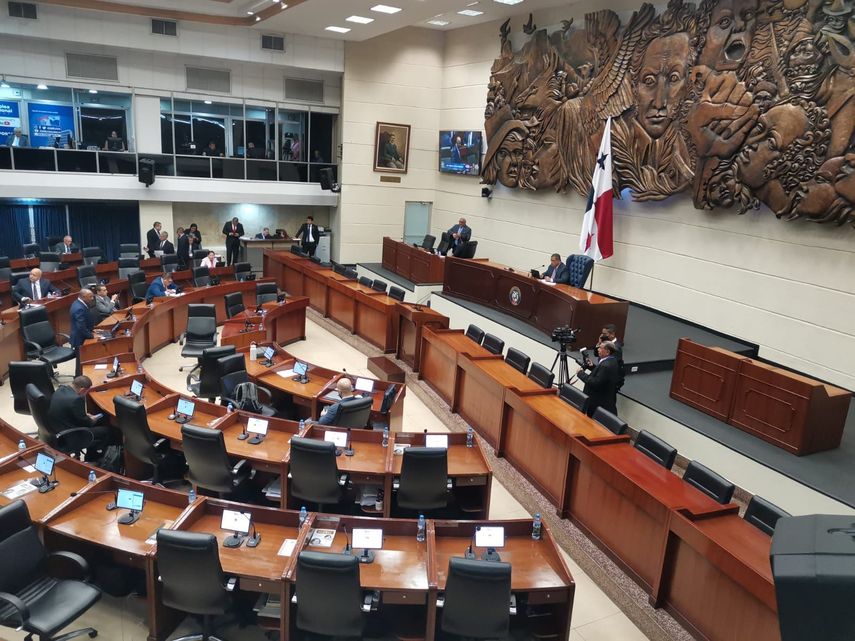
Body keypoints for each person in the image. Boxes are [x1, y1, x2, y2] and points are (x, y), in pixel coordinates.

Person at [48, 375, 110, 461]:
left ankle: (91, 454)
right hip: (70, 436)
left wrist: (85, 416)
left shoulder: (60, 389)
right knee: (107, 431)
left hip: (57, 429)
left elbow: (74, 414)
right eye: (86, 392)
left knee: (99, 421)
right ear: (82, 390)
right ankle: (93, 457)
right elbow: (87, 423)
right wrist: (91, 419)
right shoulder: (76, 400)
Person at [576, 341, 621, 417]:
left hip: (596, 402)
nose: (598, 350)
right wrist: (592, 366)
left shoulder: (606, 365)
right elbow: (601, 375)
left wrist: (581, 374)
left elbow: (595, 382)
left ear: (607, 351)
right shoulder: (611, 360)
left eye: (600, 348)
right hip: (601, 399)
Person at [70, 288, 96, 375]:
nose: (92, 298)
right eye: (90, 297)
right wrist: (91, 336)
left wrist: (93, 330)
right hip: (79, 338)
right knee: (81, 361)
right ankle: (78, 379)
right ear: (84, 296)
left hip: (82, 335)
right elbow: (81, 326)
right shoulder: (79, 308)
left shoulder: (80, 303)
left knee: (81, 360)